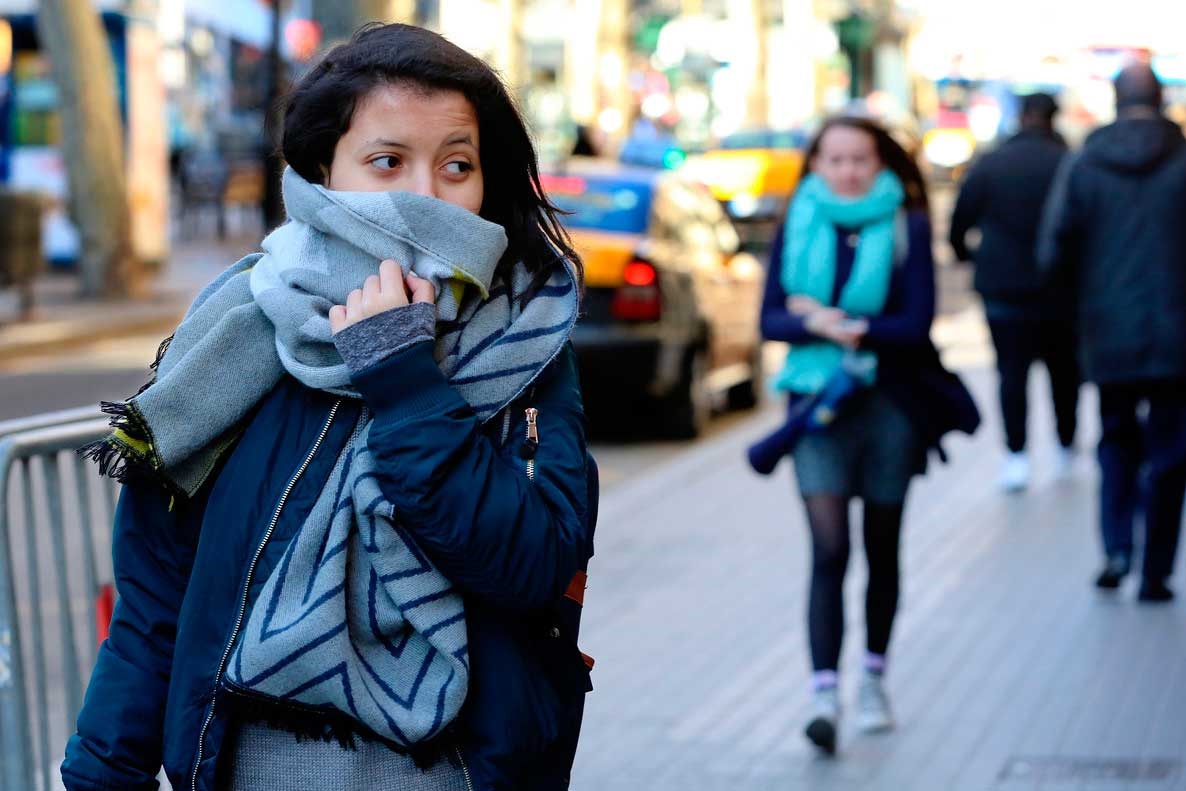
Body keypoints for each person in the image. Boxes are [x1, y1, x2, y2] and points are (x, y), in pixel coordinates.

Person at [64, 23, 596, 791]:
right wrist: (100, 775)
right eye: (387, 162)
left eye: (457, 165)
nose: (424, 196)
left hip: (454, 768)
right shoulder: (233, 333)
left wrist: (404, 377)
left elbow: (533, 566)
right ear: (323, 170)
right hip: (253, 760)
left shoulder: (529, 342)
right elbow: (154, 599)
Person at [760, 117, 977, 755]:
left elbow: (915, 324)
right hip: (818, 407)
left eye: (861, 159)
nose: (849, 170)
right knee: (830, 552)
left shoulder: (906, 224)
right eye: (836, 159)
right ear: (817, 165)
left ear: (880, 163)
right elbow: (772, 316)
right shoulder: (796, 219)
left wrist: (834, 323)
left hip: (890, 406)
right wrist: (821, 325)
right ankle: (824, 694)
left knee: (882, 548)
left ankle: (875, 677)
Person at [1037, 63, 1186, 603]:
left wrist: (1078, 310)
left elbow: (1054, 252)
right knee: (1171, 451)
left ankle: (1117, 549)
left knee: (1117, 439)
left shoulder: (1085, 164)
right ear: (1162, 100)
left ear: (1116, 103)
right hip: (1176, 337)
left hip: (1108, 331)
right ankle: (1156, 571)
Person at [950, 93, 1079, 492]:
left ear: (1021, 117)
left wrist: (971, 256)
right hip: (1060, 289)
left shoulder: (992, 163)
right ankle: (1065, 447)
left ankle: (1016, 455)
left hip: (1003, 288)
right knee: (1064, 372)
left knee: (1011, 373)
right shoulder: (1069, 164)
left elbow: (959, 222)